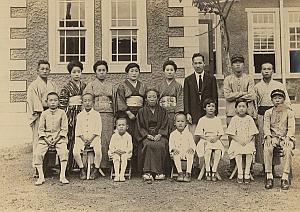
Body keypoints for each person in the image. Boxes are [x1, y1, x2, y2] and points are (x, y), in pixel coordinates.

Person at [254, 62, 291, 171]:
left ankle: (273, 168)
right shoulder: (257, 87)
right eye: (264, 69)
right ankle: (265, 168)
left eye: (269, 69)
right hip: (262, 115)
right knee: (263, 140)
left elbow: (286, 102)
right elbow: (254, 104)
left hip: (276, 116)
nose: (266, 71)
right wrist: (255, 117)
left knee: (275, 138)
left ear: (272, 71)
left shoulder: (279, 86)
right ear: (261, 71)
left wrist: (279, 112)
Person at [223, 54, 256, 172]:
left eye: (240, 62)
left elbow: (252, 95)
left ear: (243, 64)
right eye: (235, 63)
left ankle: (248, 167)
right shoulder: (228, 79)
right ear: (232, 65)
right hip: (232, 113)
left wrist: (236, 95)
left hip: (246, 113)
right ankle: (233, 167)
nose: (237, 64)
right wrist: (242, 94)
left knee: (248, 138)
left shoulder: (249, 78)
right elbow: (227, 95)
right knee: (233, 140)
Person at [116, 63, 147, 174]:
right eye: (131, 71)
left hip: (140, 114)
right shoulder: (122, 85)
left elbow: (146, 101)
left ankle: (138, 167)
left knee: (139, 138)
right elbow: (120, 100)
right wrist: (128, 113)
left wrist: (142, 113)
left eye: (136, 71)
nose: (134, 73)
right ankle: (126, 166)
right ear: (127, 73)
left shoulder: (143, 85)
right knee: (128, 139)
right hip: (127, 115)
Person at [83, 60, 115, 169]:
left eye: (104, 70)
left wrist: (115, 114)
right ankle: (95, 165)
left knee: (107, 138)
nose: (102, 72)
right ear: (95, 72)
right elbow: (87, 101)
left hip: (108, 114)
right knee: (96, 137)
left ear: (107, 72)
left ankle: (107, 165)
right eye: (99, 70)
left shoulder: (111, 86)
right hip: (95, 114)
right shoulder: (91, 85)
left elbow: (114, 101)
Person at [27, 60, 56, 175]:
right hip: (39, 114)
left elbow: (55, 99)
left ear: (50, 70)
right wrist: (42, 111)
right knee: (39, 141)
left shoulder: (52, 84)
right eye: (42, 69)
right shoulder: (33, 86)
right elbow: (33, 102)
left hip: (51, 113)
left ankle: (49, 167)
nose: (45, 71)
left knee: (51, 139)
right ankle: (38, 169)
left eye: (47, 69)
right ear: (37, 70)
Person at [33, 92, 69, 185]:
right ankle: (41, 177)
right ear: (47, 102)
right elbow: (40, 129)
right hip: (45, 139)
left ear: (58, 102)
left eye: (55, 100)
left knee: (64, 152)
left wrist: (57, 140)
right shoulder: (44, 114)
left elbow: (64, 129)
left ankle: (62, 176)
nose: (53, 102)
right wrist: (47, 140)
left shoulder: (62, 113)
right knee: (38, 153)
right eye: (51, 100)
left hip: (59, 139)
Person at [264, 89, 295, 190]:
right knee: (267, 147)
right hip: (273, 137)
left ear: (284, 99)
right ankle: (269, 176)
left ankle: (285, 177)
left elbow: (291, 127)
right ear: (272, 100)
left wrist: (288, 138)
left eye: (280, 98)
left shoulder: (289, 112)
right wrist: (268, 136)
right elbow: (266, 127)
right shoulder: (268, 112)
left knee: (287, 148)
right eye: (275, 98)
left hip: (285, 137)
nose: (277, 100)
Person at [135, 89, 169, 182]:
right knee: (148, 145)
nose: (152, 99)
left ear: (158, 98)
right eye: (149, 97)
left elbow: (165, 124)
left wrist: (160, 134)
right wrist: (146, 135)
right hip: (146, 135)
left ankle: (159, 172)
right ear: (146, 99)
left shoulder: (163, 111)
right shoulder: (141, 111)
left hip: (159, 135)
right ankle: (147, 172)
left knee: (161, 145)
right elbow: (139, 126)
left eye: (154, 97)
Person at [59, 61, 86, 173]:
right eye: (74, 72)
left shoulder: (84, 86)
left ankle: (80, 164)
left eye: (78, 72)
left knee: (81, 138)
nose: (76, 74)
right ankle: (68, 165)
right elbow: (62, 104)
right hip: (71, 113)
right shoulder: (66, 87)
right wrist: (67, 116)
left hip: (82, 112)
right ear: (70, 73)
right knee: (71, 138)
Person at [183, 53, 218, 137]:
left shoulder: (211, 78)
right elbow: (186, 98)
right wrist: (187, 113)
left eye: (200, 63)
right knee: (194, 137)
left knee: (208, 137)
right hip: (193, 113)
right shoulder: (188, 80)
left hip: (207, 113)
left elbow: (214, 96)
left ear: (204, 63)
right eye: (195, 63)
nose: (197, 65)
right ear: (192, 64)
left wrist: (214, 112)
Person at [226, 98, 258, 184]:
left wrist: (247, 140)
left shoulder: (249, 119)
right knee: (238, 151)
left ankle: (247, 172)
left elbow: (253, 132)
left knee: (249, 150)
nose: (241, 108)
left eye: (243, 106)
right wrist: (239, 140)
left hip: (248, 140)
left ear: (247, 108)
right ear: (236, 108)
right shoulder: (234, 119)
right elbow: (231, 133)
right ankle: (240, 172)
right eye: (239, 106)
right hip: (237, 140)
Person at [73, 93, 103, 180]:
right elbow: (78, 129)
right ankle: (82, 168)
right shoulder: (80, 115)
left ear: (93, 102)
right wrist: (83, 139)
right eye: (85, 101)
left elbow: (98, 129)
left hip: (94, 138)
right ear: (82, 102)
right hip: (81, 138)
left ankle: (96, 168)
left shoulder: (97, 115)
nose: (87, 103)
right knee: (75, 152)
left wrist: (91, 139)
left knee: (98, 151)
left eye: (89, 101)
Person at [195, 98, 224, 182]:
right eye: (208, 106)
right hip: (205, 139)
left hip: (215, 139)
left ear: (215, 108)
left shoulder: (217, 120)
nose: (211, 108)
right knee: (208, 150)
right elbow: (199, 133)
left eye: (213, 106)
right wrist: (207, 138)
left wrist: (216, 138)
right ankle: (207, 170)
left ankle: (214, 170)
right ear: (204, 108)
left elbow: (220, 133)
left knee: (218, 150)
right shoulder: (202, 119)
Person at [157, 60, 184, 131]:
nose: (169, 72)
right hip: (161, 111)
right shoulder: (159, 85)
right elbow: (156, 98)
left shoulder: (178, 86)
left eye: (172, 70)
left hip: (173, 112)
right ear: (164, 71)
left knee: (173, 129)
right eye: (167, 70)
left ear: (175, 71)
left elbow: (180, 99)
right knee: (162, 129)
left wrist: (178, 112)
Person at [169, 112, 195, 182]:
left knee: (190, 154)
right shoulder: (173, 134)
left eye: (182, 121)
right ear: (175, 123)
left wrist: (191, 148)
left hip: (186, 151)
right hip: (178, 151)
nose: (180, 123)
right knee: (176, 155)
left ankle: (188, 173)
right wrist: (173, 149)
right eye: (178, 121)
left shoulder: (188, 134)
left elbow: (192, 143)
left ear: (186, 123)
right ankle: (180, 173)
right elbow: (171, 144)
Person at [108, 117, 133, 182]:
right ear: (116, 127)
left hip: (125, 153)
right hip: (115, 152)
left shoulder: (128, 136)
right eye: (119, 125)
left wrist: (124, 151)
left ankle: (122, 174)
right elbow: (111, 146)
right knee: (116, 157)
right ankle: (117, 174)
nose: (121, 127)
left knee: (124, 157)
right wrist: (115, 150)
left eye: (123, 125)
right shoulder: (114, 136)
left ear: (127, 127)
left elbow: (130, 147)